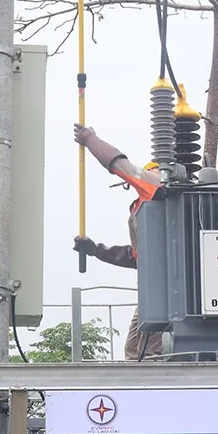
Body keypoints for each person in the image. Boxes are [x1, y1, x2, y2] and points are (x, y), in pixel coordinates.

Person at [72, 123, 163, 361]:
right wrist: (96, 250)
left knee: (150, 353)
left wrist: (91, 140)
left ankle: (160, 388)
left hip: (166, 288)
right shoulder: (145, 210)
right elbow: (136, 256)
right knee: (135, 351)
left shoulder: (158, 189)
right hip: (153, 288)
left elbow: (120, 166)